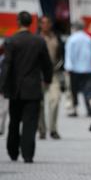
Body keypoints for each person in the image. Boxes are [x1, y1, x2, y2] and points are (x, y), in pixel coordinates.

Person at [0, 11, 53, 163]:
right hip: (33, 89)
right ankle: (28, 154)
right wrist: (47, 80)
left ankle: (12, 151)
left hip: (15, 89)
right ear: (31, 23)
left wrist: (3, 86)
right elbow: (47, 64)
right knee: (30, 123)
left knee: (14, 121)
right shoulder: (39, 41)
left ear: (18, 22)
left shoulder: (11, 41)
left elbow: (6, 65)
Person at [38, 15, 64, 139]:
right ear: (40, 25)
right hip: (39, 74)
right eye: (43, 23)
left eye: (48, 23)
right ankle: (42, 130)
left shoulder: (56, 37)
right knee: (40, 103)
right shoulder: (37, 38)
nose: (46, 25)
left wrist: (61, 65)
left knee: (55, 100)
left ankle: (53, 129)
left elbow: (61, 53)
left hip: (54, 73)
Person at [64, 20, 91, 117]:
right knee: (88, 89)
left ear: (75, 28)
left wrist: (68, 67)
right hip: (87, 68)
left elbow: (69, 54)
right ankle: (90, 108)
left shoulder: (71, 39)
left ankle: (74, 109)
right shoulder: (88, 39)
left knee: (74, 90)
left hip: (74, 69)